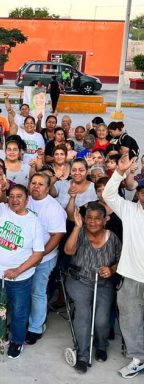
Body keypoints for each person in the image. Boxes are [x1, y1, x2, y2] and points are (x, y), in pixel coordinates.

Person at [0, 184, 45, 359]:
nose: (15, 199)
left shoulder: (33, 222)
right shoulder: (2, 209)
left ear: (27, 199)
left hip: (20, 279)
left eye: (19, 196)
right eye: (11, 196)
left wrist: (18, 271)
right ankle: (0, 334)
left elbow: (38, 254)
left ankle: (17, 342)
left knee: (19, 312)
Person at [63, 203, 121, 374]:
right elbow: (68, 250)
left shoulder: (113, 238)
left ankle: (101, 346)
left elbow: (121, 261)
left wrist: (111, 269)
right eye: (89, 218)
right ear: (84, 219)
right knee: (84, 314)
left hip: (104, 284)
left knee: (102, 319)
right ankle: (82, 355)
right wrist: (76, 227)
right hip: (79, 280)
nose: (93, 222)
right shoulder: (79, 233)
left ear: (105, 220)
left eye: (97, 218)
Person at [103, 155, 144, 378]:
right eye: (143, 192)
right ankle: (138, 358)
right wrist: (119, 172)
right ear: (139, 194)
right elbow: (108, 194)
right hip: (131, 276)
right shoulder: (129, 210)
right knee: (130, 319)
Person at [25, 173, 66, 345]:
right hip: (24, 256)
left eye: (40, 184)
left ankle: (36, 327)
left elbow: (57, 236)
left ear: (48, 188)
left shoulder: (53, 208)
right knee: (24, 291)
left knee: (37, 292)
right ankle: (23, 320)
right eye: (33, 183)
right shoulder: (26, 199)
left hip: (44, 258)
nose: (35, 186)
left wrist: (39, 255)